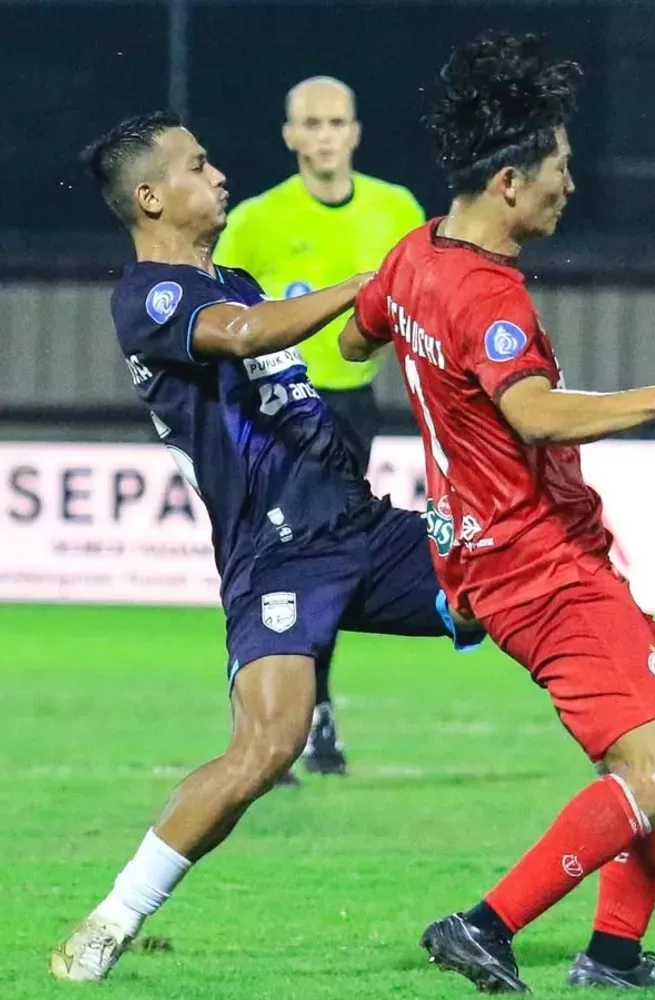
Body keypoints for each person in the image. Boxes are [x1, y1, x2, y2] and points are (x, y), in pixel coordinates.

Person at [338, 32, 655, 991]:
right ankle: (482, 925)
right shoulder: (490, 296)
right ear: (506, 183)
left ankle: (611, 954)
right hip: (537, 562)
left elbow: (363, 340)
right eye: (558, 172)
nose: (569, 186)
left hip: (492, 559)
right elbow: (527, 409)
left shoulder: (412, 256)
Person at [51, 111, 480, 983]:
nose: (216, 173)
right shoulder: (151, 298)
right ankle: (113, 919)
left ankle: (642, 824)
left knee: (525, 588)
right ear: (149, 196)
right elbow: (247, 335)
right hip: (278, 558)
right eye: (196, 164)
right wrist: (373, 285)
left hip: (361, 525)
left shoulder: (236, 277)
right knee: (268, 747)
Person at [214, 76, 428, 777]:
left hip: (352, 408)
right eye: (312, 122)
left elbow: (423, 308)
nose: (326, 134)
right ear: (291, 136)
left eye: (338, 121)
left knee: (318, 558)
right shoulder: (256, 219)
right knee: (272, 556)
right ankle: (280, 716)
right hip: (276, 416)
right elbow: (223, 312)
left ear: (356, 133)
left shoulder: (395, 208)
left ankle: (309, 711)